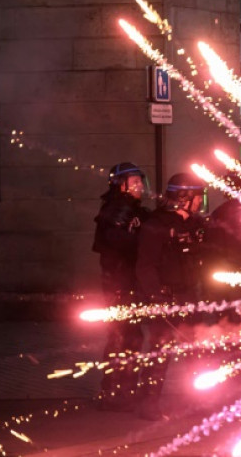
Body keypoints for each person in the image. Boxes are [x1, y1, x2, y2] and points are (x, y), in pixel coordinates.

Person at [134, 172, 207, 421]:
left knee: (195, 351)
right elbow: (145, 266)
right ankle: (149, 403)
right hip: (166, 297)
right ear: (184, 197)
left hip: (189, 295)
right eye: (197, 196)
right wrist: (156, 297)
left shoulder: (196, 224)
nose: (200, 202)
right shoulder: (156, 225)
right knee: (160, 352)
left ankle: (198, 401)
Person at [91, 162, 148, 411]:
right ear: (120, 184)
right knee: (120, 337)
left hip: (129, 284)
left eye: (140, 181)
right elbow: (118, 245)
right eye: (133, 182)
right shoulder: (115, 211)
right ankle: (112, 390)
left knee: (132, 337)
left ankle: (125, 388)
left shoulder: (133, 210)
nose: (139, 186)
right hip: (118, 285)